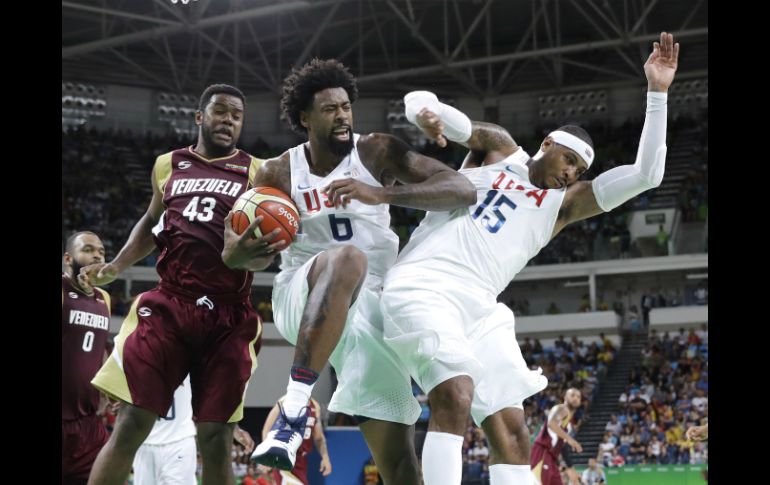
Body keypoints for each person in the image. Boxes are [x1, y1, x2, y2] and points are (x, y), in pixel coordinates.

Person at [378, 32, 679, 485]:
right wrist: (426, 113)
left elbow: (646, 174)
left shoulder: (565, 205)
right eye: (570, 162)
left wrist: (657, 93)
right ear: (549, 144)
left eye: (580, 171)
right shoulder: (500, 149)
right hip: (424, 283)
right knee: (456, 394)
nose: (572, 174)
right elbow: (441, 113)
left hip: (480, 306)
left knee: (515, 434)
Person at [231, 59, 475, 484]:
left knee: (399, 464)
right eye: (330, 109)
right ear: (305, 118)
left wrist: (379, 191)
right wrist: (249, 250)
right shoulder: (277, 171)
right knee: (347, 257)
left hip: (371, 308)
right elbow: (233, 254)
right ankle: (293, 411)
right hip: (299, 297)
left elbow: (463, 189)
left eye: (346, 107)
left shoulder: (377, 151)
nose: (342, 115)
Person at [81, 83, 270, 485]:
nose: (229, 121)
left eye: (236, 116)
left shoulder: (257, 171)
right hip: (171, 303)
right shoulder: (168, 164)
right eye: (220, 112)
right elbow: (152, 223)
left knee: (216, 438)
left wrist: (245, 257)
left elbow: (272, 244)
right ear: (200, 117)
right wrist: (116, 265)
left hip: (228, 313)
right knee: (132, 423)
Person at [62, 231, 111, 485]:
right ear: (69, 259)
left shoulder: (104, 299)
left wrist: (109, 387)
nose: (96, 255)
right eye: (88, 249)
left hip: (89, 425)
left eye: (101, 251)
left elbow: (99, 348)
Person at [257, 397, 331, 485]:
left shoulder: (315, 406)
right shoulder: (284, 401)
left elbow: (319, 438)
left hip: (301, 461)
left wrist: (325, 457)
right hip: (283, 458)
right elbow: (266, 430)